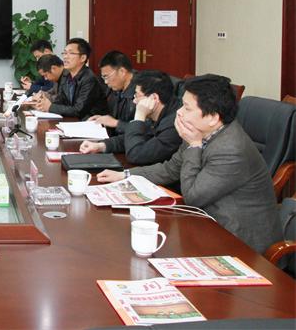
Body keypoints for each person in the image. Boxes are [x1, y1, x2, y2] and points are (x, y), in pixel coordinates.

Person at [96, 74, 281, 254]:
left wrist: (194, 146)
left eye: (186, 108)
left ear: (213, 117)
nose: (179, 112)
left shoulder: (231, 149)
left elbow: (193, 197)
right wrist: (125, 175)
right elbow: (171, 169)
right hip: (206, 224)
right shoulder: (200, 131)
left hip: (240, 243)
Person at [80, 70, 182, 165]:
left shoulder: (174, 124)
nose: (134, 101)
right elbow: (133, 138)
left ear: (154, 98)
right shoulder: (160, 112)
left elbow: (136, 155)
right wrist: (101, 146)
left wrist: (139, 116)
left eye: (137, 95)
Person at [33, 38, 107, 119]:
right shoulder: (67, 76)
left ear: (83, 58)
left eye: (71, 53)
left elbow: (78, 110)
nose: (65, 57)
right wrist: (43, 104)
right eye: (64, 53)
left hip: (90, 122)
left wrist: (50, 107)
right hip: (73, 121)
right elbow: (61, 101)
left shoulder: (89, 79)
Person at [89, 50, 137, 133]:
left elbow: (145, 130)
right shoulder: (115, 89)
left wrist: (116, 123)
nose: (105, 82)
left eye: (106, 77)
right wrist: (103, 119)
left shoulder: (143, 91)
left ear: (122, 71)